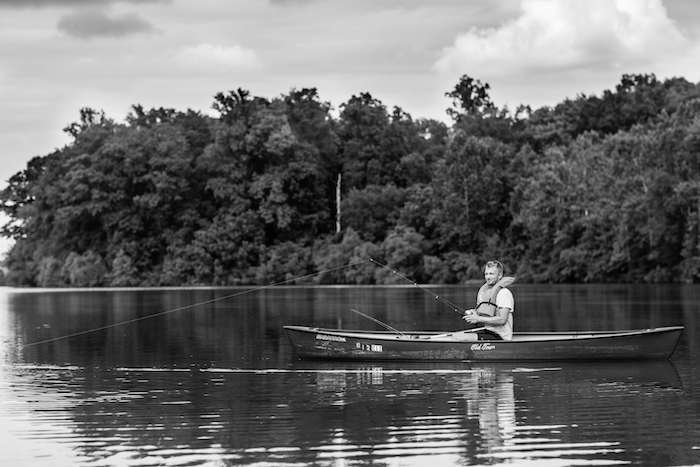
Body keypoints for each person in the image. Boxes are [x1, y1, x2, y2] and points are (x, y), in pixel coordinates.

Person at [463, 260, 514, 340]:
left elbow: (502, 319)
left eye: (491, 274)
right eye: (486, 274)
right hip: (488, 332)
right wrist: (474, 313)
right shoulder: (486, 292)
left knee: (461, 338)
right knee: (458, 336)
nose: (488, 277)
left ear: (500, 275)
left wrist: (478, 319)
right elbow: (487, 312)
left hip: (500, 337)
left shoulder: (504, 293)